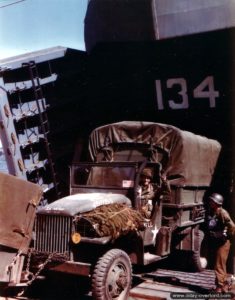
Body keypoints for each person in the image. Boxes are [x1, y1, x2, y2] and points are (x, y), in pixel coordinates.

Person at [206, 193, 235, 293]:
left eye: (212, 201)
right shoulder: (214, 211)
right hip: (217, 241)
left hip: (223, 242)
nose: (210, 202)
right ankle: (222, 285)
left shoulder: (222, 213)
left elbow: (232, 226)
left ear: (217, 203)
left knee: (219, 265)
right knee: (220, 264)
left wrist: (226, 235)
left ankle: (219, 287)